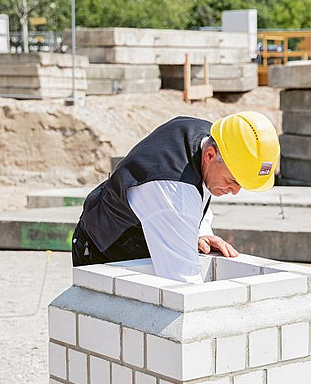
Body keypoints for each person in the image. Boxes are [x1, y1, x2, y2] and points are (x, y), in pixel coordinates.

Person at [71, 111, 280, 283]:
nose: (235, 191)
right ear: (210, 155)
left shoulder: (214, 138)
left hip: (144, 228)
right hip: (105, 253)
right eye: (233, 181)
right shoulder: (171, 192)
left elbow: (202, 187)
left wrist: (199, 230)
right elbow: (184, 282)